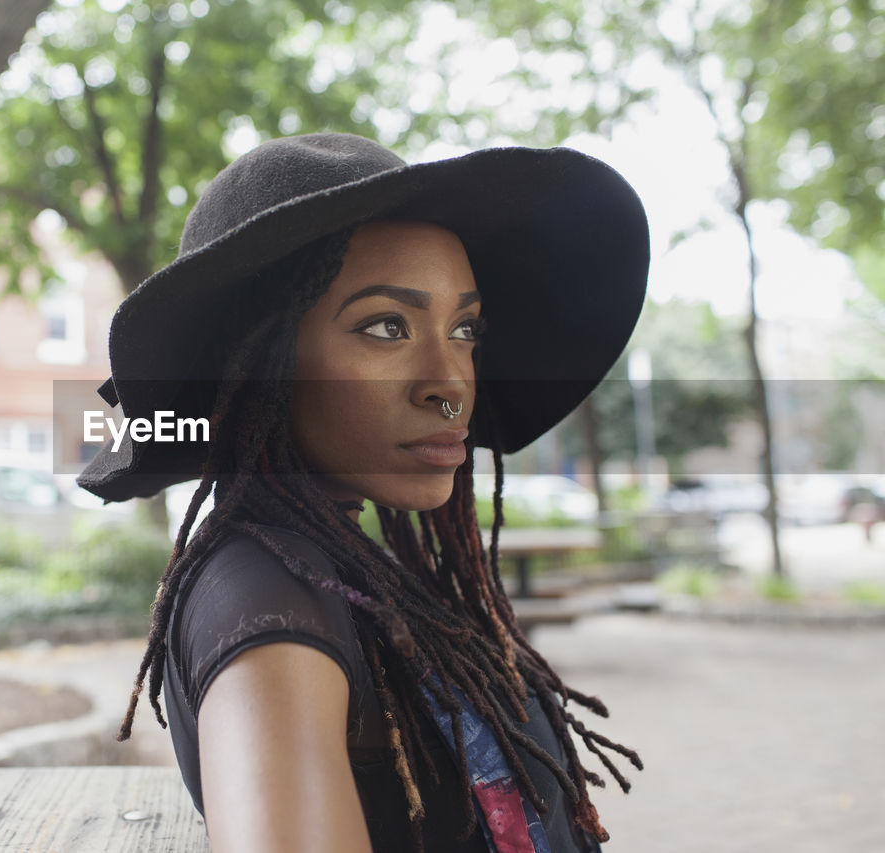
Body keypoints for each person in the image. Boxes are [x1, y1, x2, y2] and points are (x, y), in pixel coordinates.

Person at [78, 133, 649, 852]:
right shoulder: (269, 608)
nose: (451, 382)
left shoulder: (329, 566)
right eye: (388, 326)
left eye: (465, 328)